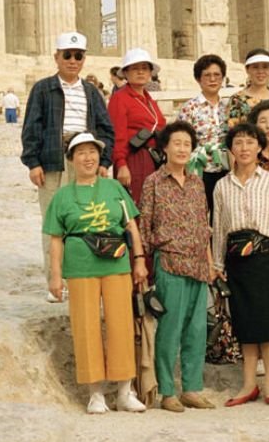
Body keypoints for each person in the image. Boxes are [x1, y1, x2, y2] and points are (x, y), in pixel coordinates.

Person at [42, 131, 148, 415]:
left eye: (92, 152)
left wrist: (139, 259)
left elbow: (131, 226)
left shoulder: (114, 188)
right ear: (72, 160)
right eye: (81, 153)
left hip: (116, 261)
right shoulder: (63, 196)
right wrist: (55, 275)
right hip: (80, 265)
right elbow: (55, 238)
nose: (88, 158)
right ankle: (95, 393)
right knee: (86, 325)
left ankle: (125, 391)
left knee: (120, 324)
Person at [134, 121, 216, 412]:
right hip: (169, 261)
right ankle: (167, 391)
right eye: (176, 143)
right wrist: (141, 262)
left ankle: (191, 389)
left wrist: (209, 262)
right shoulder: (153, 183)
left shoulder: (196, 182)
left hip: (197, 264)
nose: (182, 149)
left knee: (197, 330)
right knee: (169, 330)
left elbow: (203, 226)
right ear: (165, 147)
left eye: (186, 144)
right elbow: (144, 226)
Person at [210, 123, 269, 406]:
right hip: (236, 260)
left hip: (267, 256)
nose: (244, 148)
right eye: (238, 143)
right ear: (231, 149)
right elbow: (219, 226)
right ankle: (248, 384)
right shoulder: (222, 185)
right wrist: (217, 263)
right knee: (244, 322)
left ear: (260, 147)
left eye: (249, 142)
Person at [20, 31, 115, 274]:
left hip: (85, 159)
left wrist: (104, 160)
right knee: (54, 220)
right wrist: (33, 163)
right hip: (53, 159)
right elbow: (32, 126)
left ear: (84, 59)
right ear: (57, 57)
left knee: (85, 217)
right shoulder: (43, 89)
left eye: (78, 56)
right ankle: (55, 280)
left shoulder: (92, 92)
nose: (73, 60)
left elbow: (106, 128)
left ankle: (80, 274)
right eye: (67, 55)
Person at [108, 47, 166, 194]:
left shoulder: (149, 99)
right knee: (136, 205)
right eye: (135, 68)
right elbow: (117, 134)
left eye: (145, 68)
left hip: (153, 159)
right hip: (133, 159)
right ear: (126, 73)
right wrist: (121, 164)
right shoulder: (120, 98)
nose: (140, 72)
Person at [176, 54, 231, 191]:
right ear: (198, 79)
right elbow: (181, 139)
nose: (212, 79)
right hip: (199, 170)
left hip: (225, 169)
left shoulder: (228, 108)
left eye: (217, 75)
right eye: (207, 75)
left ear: (223, 78)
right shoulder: (190, 108)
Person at [225, 50, 269, 126]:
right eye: (255, 67)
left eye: (265, 67)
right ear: (247, 69)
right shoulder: (237, 100)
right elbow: (230, 131)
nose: (260, 71)